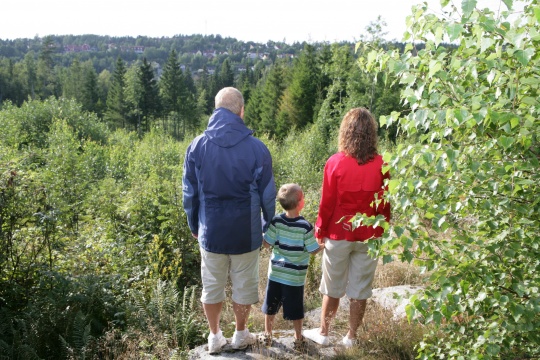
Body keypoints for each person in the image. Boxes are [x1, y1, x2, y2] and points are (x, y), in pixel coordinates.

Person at [182, 87, 276, 354]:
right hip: (246, 232)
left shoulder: (196, 146)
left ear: (215, 109)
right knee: (243, 285)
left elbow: (189, 194)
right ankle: (240, 334)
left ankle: (214, 337)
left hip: (210, 231)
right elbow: (268, 195)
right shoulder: (257, 149)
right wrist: (268, 224)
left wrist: (194, 225)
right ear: (241, 111)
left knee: (211, 286)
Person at [303, 107, 391, 348]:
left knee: (331, 286)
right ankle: (351, 337)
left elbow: (327, 203)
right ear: (372, 134)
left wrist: (319, 230)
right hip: (369, 234)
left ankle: (323, 332)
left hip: (339, 233)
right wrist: (383, 227)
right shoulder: (382, 164)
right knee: (360, 289)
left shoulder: (335, 162)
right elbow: (385, 202)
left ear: (346, 132)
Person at [259, 183, 323, 351]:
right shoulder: (305, 226)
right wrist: (323, 244)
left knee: (271, 304)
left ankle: (267, 334)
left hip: (276, 273)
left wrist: (262, 234)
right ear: (300, 202)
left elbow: (267, 244)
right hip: (294, 276)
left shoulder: (277, 221)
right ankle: (298, 337)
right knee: (295, 308)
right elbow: (313, 251)